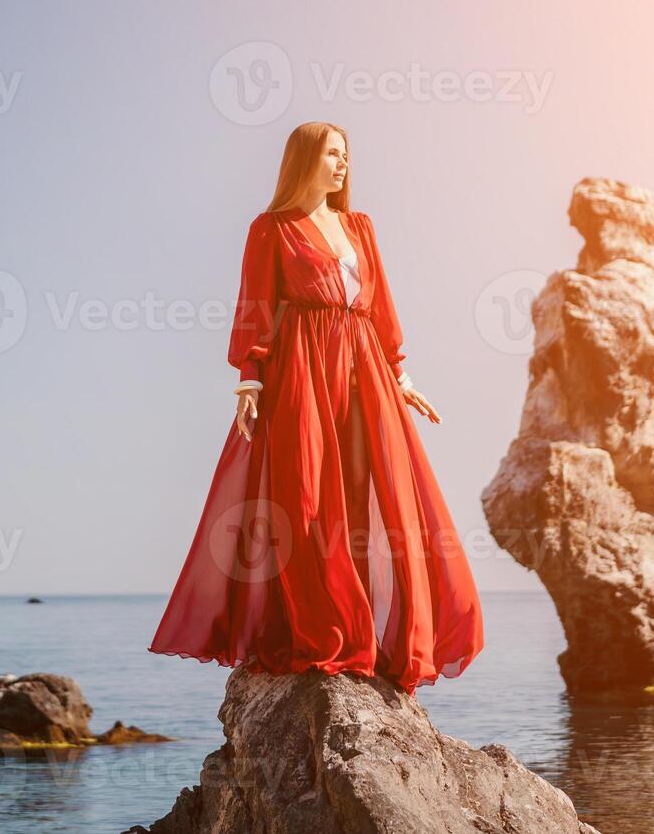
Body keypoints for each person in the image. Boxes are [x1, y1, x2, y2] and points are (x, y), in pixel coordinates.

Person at [147, 121, 484, 695]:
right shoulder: (270, 229)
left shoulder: (359, 226)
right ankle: (325, 631)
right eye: (332, 154)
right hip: (301, 371)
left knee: (376, 494)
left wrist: (399, 374)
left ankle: (383, 636)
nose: (343, 164)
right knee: (305, 495)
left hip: (364, 370)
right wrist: (249, 383)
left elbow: (381, 310)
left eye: (347, 155)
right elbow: (254, 307)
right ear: (304, 161)